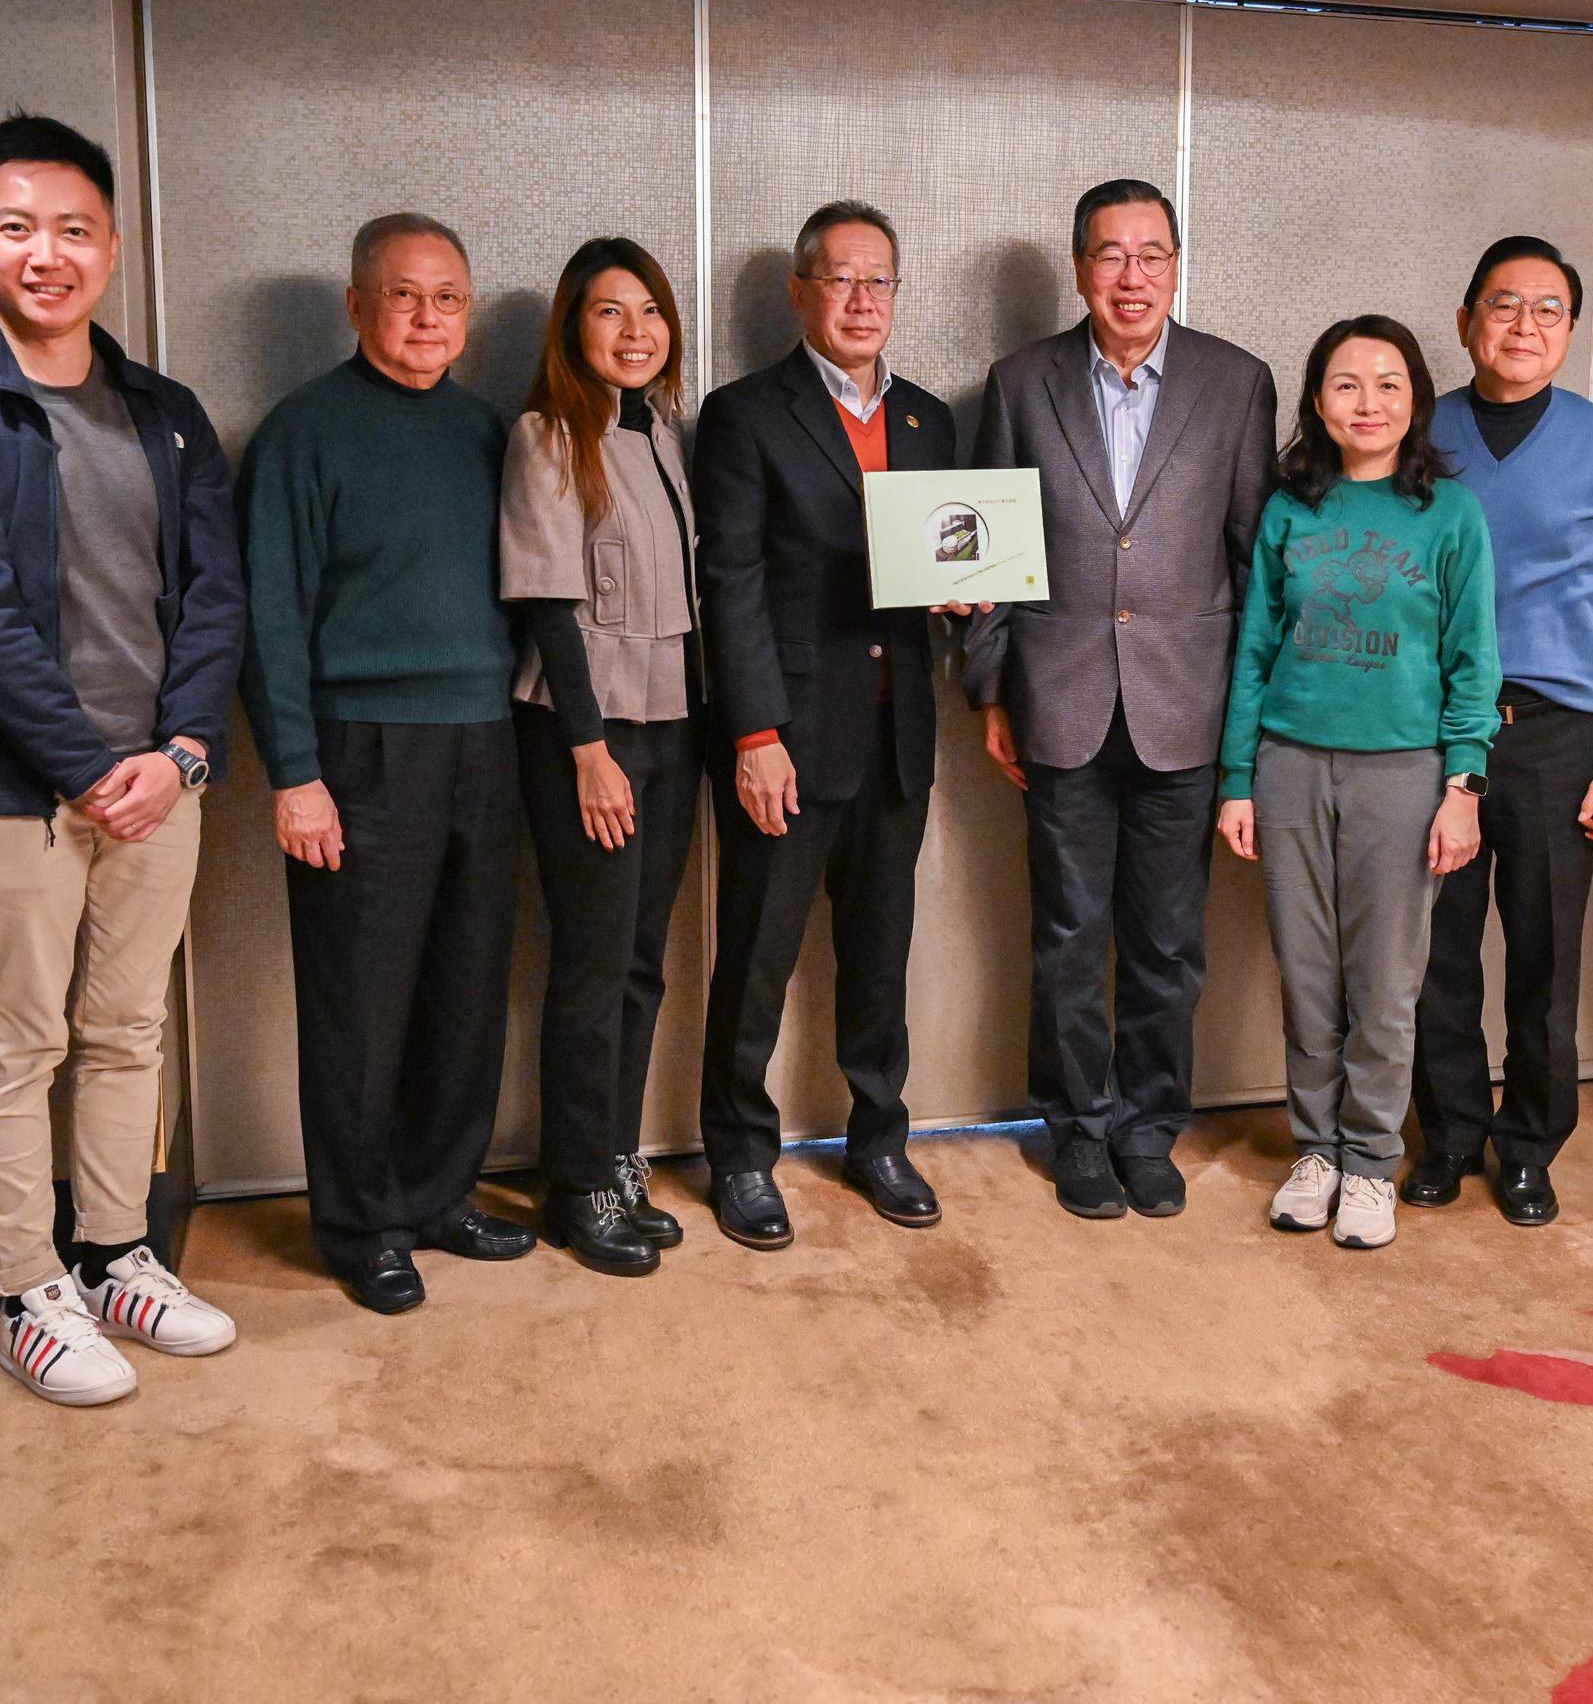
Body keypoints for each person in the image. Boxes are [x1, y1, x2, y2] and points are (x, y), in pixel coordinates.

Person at [0, 113, 242, 1404]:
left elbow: (213, 595)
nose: (50, 252)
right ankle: (29, 1289)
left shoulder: (168, 413)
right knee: (19, 1043)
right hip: (10, 791)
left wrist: (184, 749)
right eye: (20, 228)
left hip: (162, 784)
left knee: (130, 1029)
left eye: (75, 230)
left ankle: (118, 1253)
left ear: (114, 248)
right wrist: (91, 767)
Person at [237, 213, 538, 1315]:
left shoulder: (486, 430)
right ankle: (362, 1222)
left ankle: (439, 1193)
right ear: (358, 305)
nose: (427, 318)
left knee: (466, 986)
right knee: (361, 1004)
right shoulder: (301, 435)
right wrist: (295, 771)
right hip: (358, 750)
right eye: (404, 297)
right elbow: (268, 616)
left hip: (486, 737)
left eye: (448, 298)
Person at [962, 179, 1277, 1220]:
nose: (1131, 276)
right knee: (1065, 931)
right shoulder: (1022, 379)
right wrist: (990, 688)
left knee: (1168, 940)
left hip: (1186, 705)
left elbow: (1253, 557)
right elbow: (991, 548)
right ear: (1080, 265)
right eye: (1110, 254)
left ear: (1176, 266)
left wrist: (1248, 722)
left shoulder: (1236, 382)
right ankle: (1076, 1129)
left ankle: (1149, 1127)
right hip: (1057, 699)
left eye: (1151, 254)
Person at [693, 201, 959, 1250]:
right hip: (789, 740)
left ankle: (879, 1137)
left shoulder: (931, 420)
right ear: (802, 291)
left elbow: (946, 556)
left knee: (881, 955)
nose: (862, 299)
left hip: (900, 733)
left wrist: (966, 592)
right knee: (756, 957)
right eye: (840, 279)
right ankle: (741, 1154)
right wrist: (756, 733)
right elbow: (731, 581)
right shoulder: (744, 412)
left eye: (879, 280)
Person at [1407, 235, 1593, 1227]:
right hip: (1436, 732)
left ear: (1570, 328)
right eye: (1505, 305)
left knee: (1544, 957)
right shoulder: (1418, 431)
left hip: (1563, 732)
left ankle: (1528, 1146)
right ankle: (1446, 1133)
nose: (1524, 326)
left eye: (1548, 309)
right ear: (1468, 316)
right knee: (1435, 951)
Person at [1217, 316, 1498, 1252]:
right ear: (1317, 402)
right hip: (1291, 767)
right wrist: (1237, 779)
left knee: (1384, 983)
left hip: (1404, 774)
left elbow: (1473, 662)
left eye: (1387, 383)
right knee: (1306, 978)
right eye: (1346, 384)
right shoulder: (1292, 509)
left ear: (1415, 397)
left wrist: (1463, 786)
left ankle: (1372, 1163)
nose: (1367, 402)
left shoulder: (1449, 514)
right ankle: (1318, 1153)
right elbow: (1253, 650)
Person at [501, 238, 703, 1276]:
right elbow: (544, 605)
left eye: (650, 312)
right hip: (590, 731)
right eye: (609, 312)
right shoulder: (548, 434)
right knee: (588, 962)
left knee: (639, 959)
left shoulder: (666, 434)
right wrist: (586, 747)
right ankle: (575, 1182)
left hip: (673, 725)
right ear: (572, 328)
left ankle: (617, 1155)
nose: (634, 332)